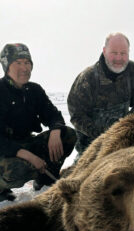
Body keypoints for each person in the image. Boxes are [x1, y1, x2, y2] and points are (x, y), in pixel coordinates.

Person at [0, 43, 76, 201]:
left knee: (67, 135)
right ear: (7, 66)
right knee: (16, 169)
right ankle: (2, 188)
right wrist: (29, 156)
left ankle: (46, 180)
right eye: (18, 63)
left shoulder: (34, 90)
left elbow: (53, 115)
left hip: (27, 142)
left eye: (27, 63)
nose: (24, 68)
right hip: (5, 151)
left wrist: (55, 131)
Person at [67, 32, 134, 157]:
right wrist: (106, 135)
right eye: (114, 53)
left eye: (123, 53)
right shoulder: (88, 77)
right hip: (94, 147)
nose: (119, 58)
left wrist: (127, 125)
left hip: (127, 141)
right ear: (104, 51)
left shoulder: (133, 70)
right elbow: (77, 115)